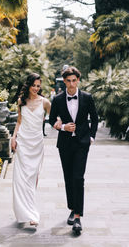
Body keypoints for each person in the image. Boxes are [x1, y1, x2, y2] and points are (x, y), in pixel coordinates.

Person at [49, 66, 98, 234]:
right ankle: (72, 208)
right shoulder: (57, 99)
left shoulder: (87, 97)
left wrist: (91, 137)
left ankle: (77, 217)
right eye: (68, 81)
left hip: (82, 144)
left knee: (78, 177)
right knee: (69, 178)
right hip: (64, 145)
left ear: (78, 80)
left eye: (74, 80)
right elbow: (50, 120)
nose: (71, 84)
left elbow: (95, 118)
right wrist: (63, 126)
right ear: (64, 81)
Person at [11, 73, 51, 227]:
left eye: (38, 86)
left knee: (32, 177)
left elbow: (55, 119)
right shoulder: (21, 101)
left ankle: (32, 212)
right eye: (33, 85)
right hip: (23, 142)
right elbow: (19, 121)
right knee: (21, 178)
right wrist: (14, 137)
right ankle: (24, 213)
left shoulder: (45, 103)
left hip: (36, 144)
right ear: (28, 85)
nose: (35, 88)